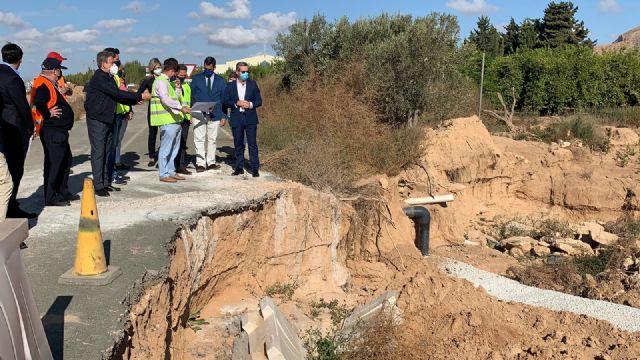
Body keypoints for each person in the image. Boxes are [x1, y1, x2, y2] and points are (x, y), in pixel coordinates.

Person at [85, 50, 150, 197]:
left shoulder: (108, 77)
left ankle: (106, 182)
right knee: (99, 152)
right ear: (103, 63)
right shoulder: (99, 78)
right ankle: (98, 185)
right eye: (111, 62)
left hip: (108, 118)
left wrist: (134, 100)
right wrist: (139, 95)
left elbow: (118, 96)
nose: (114, 64)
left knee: (108, 152)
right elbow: (117, 94)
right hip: (98, 120)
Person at [32, 58, 79, 206]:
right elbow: (39, 101)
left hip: (58, 130)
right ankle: (51, 196)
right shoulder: (42, 83)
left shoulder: (49, 84)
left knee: (65, 160)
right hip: (52, 130)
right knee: (55, 163)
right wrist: (48, 114)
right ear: (54, 70)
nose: (60, 72)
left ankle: (62, 191)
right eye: (59, 69)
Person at [0, 43, 36, 218]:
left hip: (3, 128)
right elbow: (22, 106)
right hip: (14, 129)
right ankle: (10, 208)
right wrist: (31, 127)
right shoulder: (12, 78)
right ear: (20, 59)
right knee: (15, 170)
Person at [150, 58, 190, 183]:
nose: (176, 75)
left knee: (174, 148)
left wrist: (177, 88)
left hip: (174, 119)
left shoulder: (167, 82)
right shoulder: (161, 81)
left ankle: (171, 171)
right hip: (167, 120)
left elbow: (174, 97)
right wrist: (180, 107)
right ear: (172, 70)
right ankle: (163, 173)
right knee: (166, 149)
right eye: (175, 72)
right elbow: (165, 99)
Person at [223, 62, 262, 177]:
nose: (246, 74)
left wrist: (249, 104)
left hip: (250, 118)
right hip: (236, 118)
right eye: (243, 72)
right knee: (238, 143)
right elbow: (225, 101)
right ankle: (239, 167)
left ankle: (255, 168)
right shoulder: (230, 86)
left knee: (252, 144)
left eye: (247, 71)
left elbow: (259, 101)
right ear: (237, 72)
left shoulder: (253, 84)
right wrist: (236, 103)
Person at [190, 56, 226, 172]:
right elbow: (191, 97)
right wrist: (191, 113)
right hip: (199, 112)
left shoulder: (221, 81)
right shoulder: (196, 79)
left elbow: (224, 99)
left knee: (212, 139)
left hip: (215, 114)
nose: (207, 71)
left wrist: (224, 116)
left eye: (210, 69)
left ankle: (211, 162)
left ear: (214, 68)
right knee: (199, 139)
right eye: (205, 68)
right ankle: (200, 163)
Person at [110, 59, 133, 185]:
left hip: (121, 113)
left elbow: (125, 96)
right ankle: (111, 174)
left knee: (117, 143)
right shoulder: (110, 80)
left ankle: (114, 170)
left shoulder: (118, 79)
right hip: (114, 115)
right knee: (112, 145)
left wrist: (129, 108)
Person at [139, 58, 161, 167]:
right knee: (152, 133)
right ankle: (152, 157)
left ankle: (162, 156)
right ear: (152, 69)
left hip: (164, 110)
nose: (158, 69)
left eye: (159, 67)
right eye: (156, 68)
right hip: (152, 109)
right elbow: (139, 92)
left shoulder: (164, 79)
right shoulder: (148, 80)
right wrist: (141, 98)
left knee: (164, 134)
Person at [173, 64, 192, 175]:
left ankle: (181, 165)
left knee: (183, 143)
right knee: (174, 143)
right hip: (175, 117)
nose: (183, 77)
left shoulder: (187, 86)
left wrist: (190, 117)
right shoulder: (172, 85)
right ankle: (172, 165)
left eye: (185, 75)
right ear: (176, 73)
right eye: (181, 75)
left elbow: (188, 102)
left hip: (185, 118)